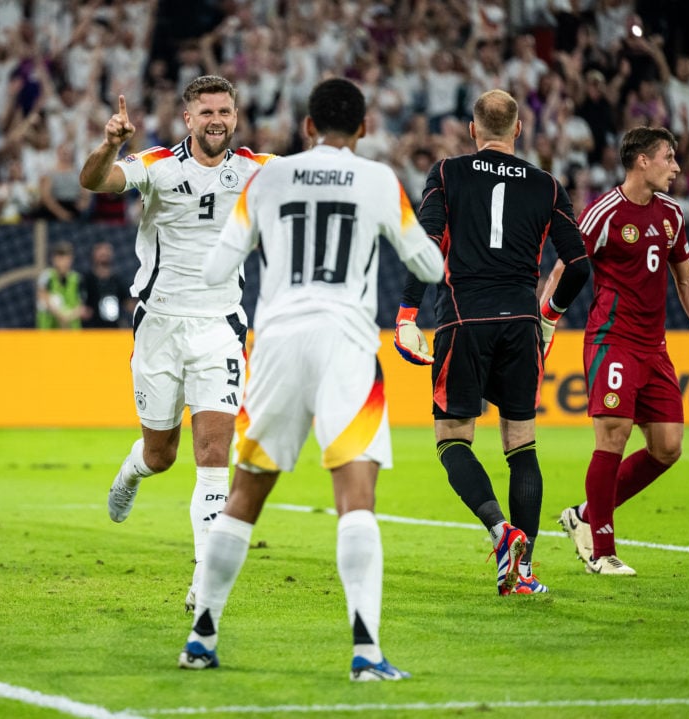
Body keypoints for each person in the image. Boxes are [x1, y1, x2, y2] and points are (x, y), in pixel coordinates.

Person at [178, 77, 444, 680]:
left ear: (305, 127)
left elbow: (219, 265)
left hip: (275, 344)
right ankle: (366, 651)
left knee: (244, 496)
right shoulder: (377, 179)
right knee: (356, 498)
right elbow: (428, 262)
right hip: (346, 343)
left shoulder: (266, 178)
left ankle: (201, 636)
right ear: (365, 127)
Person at [79, 75, 273, 611]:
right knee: (161, 455)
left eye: (226, 111)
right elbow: (94, 181)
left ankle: (203, 582)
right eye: (207, 111)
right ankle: (131, 471)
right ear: (188, 119)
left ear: (235, 117)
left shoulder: (256, 169)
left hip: (221, 328)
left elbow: (316, 175)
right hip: (160, 326)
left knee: (214, 454)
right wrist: (111, 143)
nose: (217, 120)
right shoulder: (158, 163)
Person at [393, 89, 591, 596]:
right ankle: (524, 574)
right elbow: (579, 264)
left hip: (464, 320)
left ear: (474, 129)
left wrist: (407, 313)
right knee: (521, 444)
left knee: (453, 438)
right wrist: (548, 316)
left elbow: (426, 243)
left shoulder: (448, 172)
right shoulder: (546, 184)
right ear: (519, 130)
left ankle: (502, 533)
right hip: (521, 322)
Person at [546, 126, 689, 575]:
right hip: (612, 341)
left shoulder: (671, 214)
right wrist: (545, 323)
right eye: (669, 157)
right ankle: (602, 550)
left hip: (655, 348)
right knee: (613, 433)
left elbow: (686, 279)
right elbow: (564, 268)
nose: (677, 167)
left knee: (667, 447)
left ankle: (584, 516)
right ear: (642, 161)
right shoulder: (603, 212)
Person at [81, 241, 134, 328]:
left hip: (113, 331)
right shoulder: (86, 279)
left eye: (107, 250)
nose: (104, 253)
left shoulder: (118, 280)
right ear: (93, 254)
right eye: (100, 250)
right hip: (91, 330)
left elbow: (129, 303)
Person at [36, 240, 85, 329]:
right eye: (60, 258)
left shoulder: (77, 279)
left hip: (71, 331)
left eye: (66, 258)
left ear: (71, 259)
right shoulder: (46, 276)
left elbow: (81, 306)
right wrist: (60, 315)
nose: (63, 262)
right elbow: (43, 297)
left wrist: (69, 316)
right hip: (50, 331)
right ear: (53, 259)